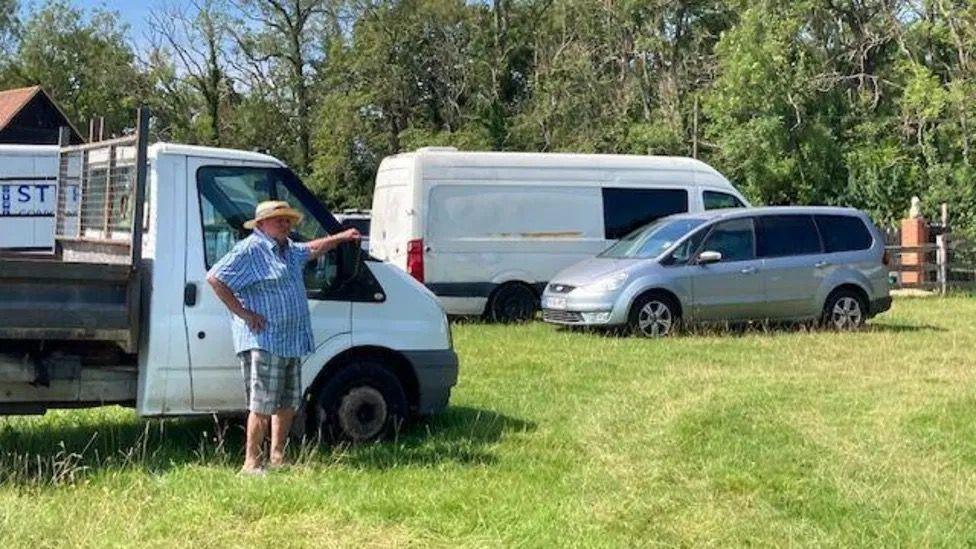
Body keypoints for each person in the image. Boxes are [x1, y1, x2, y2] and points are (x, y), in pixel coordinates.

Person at [206, 200, 360, 474]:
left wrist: (341, 237)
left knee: (289, 402)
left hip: (290, 339)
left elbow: (312, 249)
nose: (285, 224)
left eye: (288, 219)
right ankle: (251, 463)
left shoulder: (287, 250)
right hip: (265, 340)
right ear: (262, 224)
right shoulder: (251, 249)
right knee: (263, 403)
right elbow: (216, 278)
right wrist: (244, 313)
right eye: (279, 220)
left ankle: (277, 456)